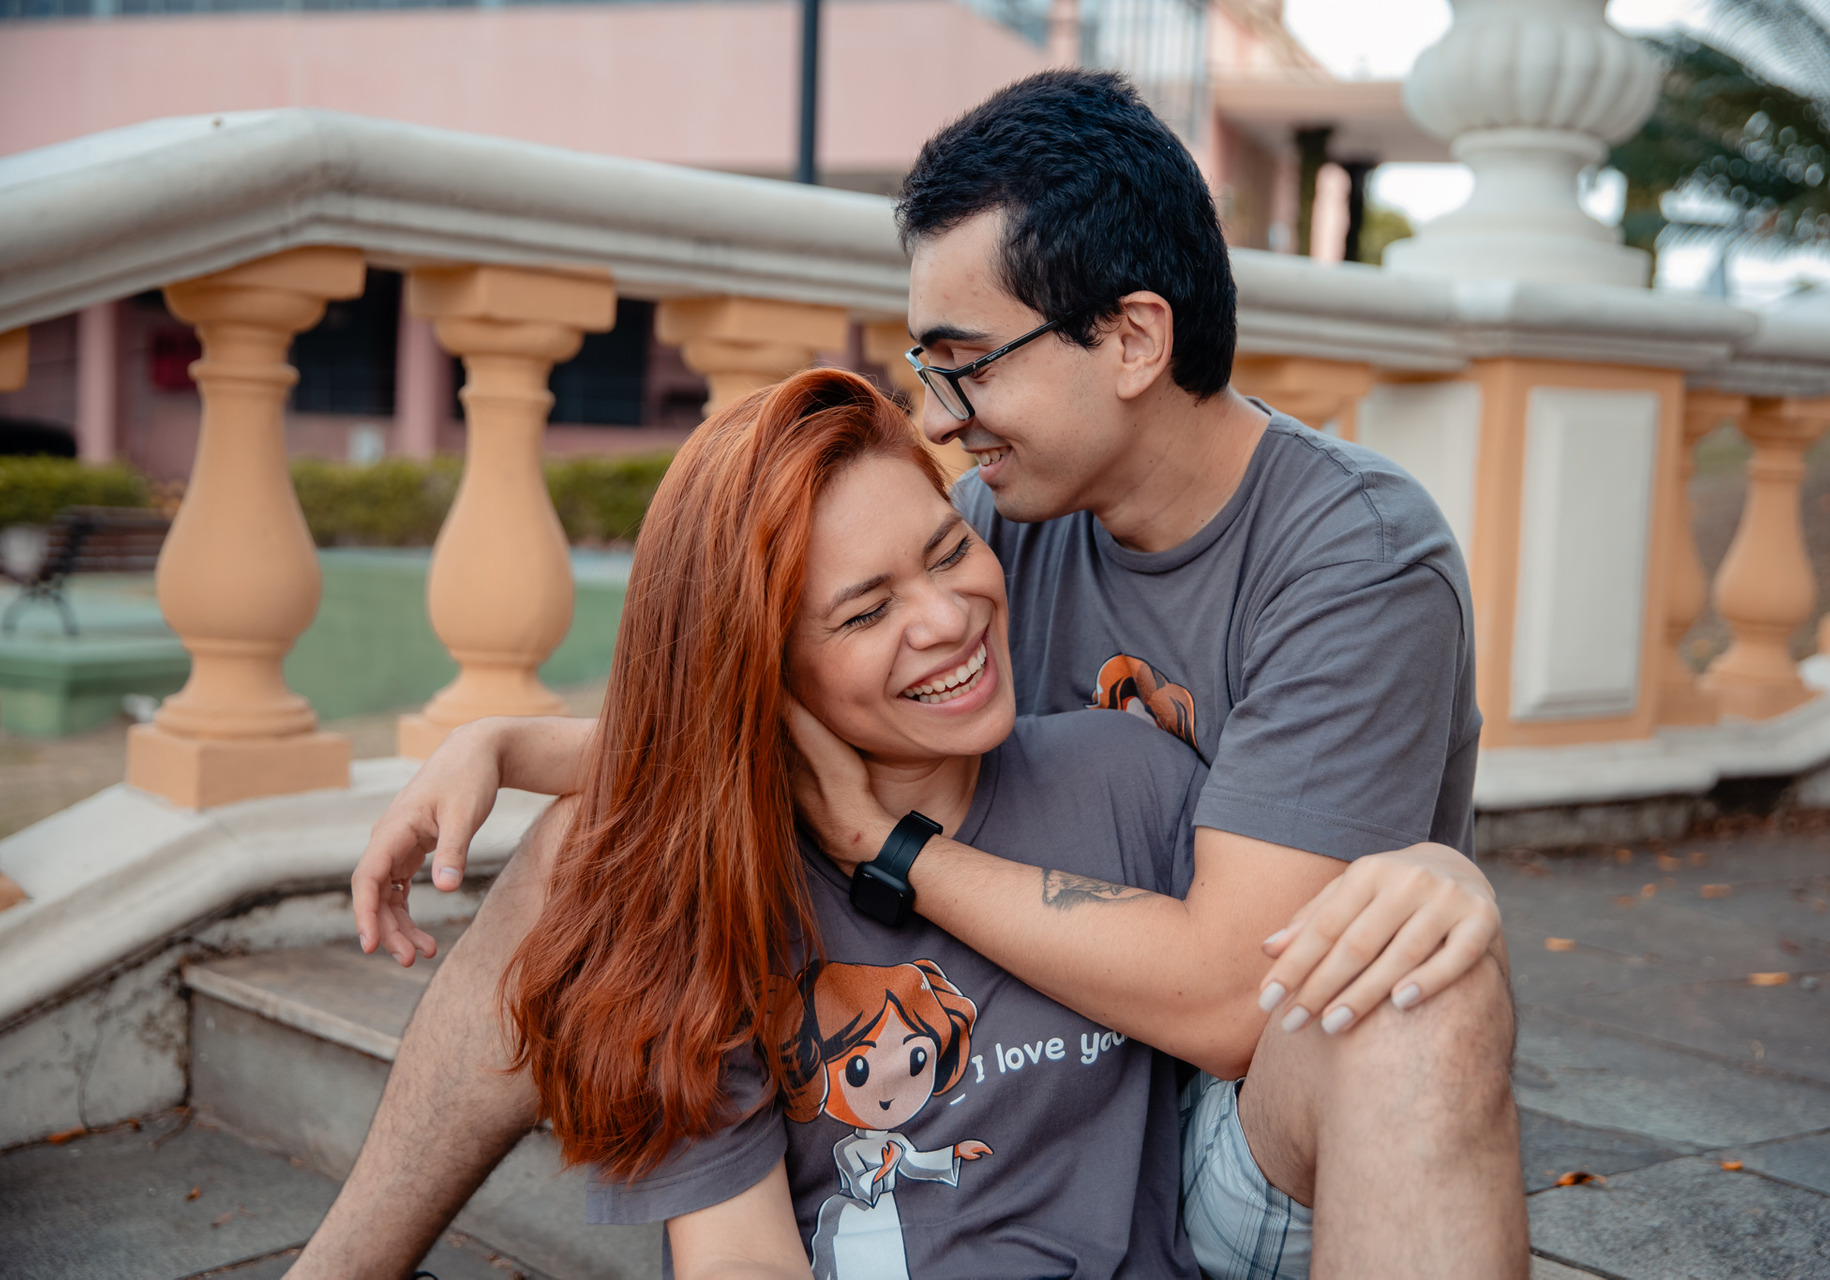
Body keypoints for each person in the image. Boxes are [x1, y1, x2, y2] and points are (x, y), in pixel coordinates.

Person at [292, 70, 1526, 1279]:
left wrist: (892, 851)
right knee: (585, 844)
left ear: (1134, 338)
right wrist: (509, 746)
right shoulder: (995, 521)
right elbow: (775, 697)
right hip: (1042, 1059)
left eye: (969, 363)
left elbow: (1229, 997)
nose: (939, 420)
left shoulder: (1356, 561)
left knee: (1424, 1000)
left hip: (1236, 1112)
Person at [501, 369, 1217, 1277]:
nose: (948, 619)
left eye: (952, 551)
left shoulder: (1132, 780)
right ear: (763, 670)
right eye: (869, 611)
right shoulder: (710, 908)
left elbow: (1270, 1002)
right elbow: (736, 1259)